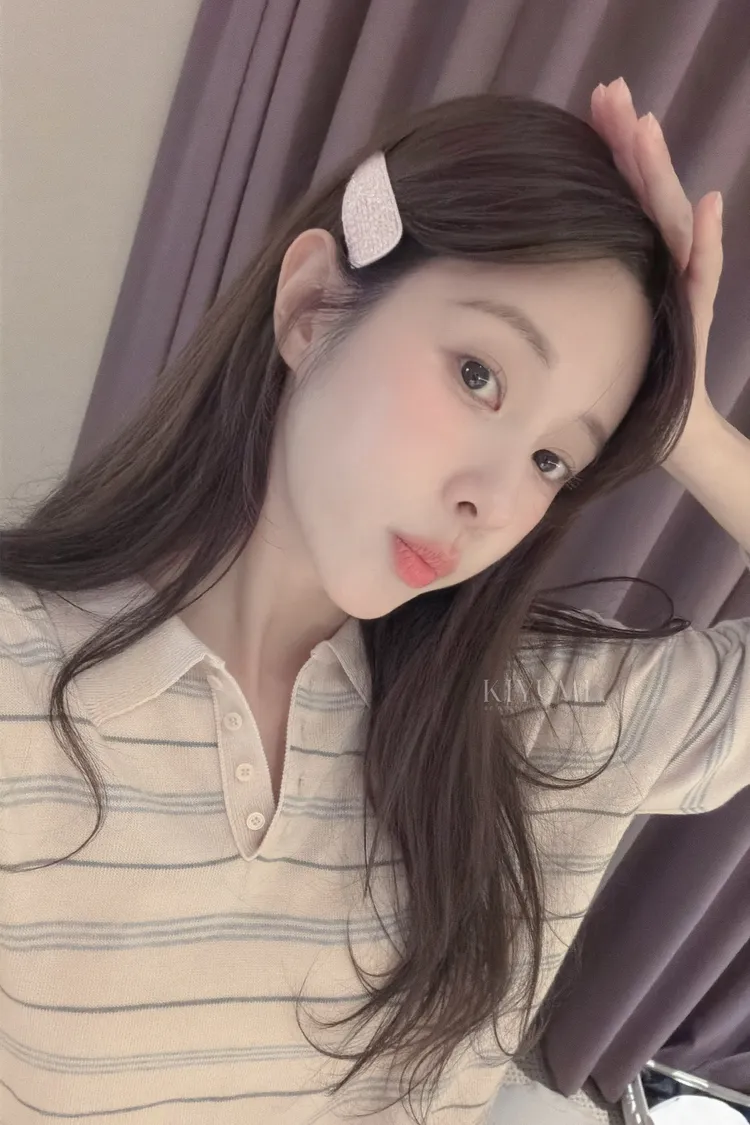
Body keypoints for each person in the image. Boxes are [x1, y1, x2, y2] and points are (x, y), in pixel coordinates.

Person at [0, 77, 745, 1125]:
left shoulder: (542, 719)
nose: (492, 498)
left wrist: (688, 429)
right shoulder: (22, 683)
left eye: (552, 458)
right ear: (313, 306)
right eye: (479, 375)